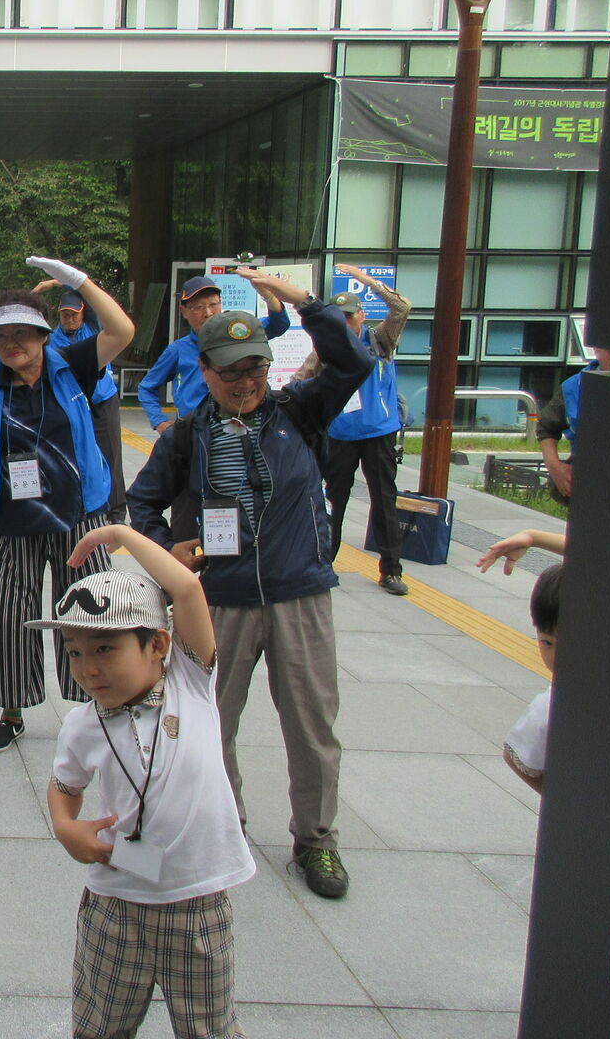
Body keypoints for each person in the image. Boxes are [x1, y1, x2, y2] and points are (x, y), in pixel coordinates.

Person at [126, 269, 373, 901]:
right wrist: (167, 549)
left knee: (313, 727)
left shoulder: (299, 411)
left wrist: (304, 303)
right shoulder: (188, 435)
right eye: (232, 371)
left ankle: (316, 839)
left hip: (299, 595)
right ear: (205, 370)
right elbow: (142, 503)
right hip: (219, 603)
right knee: (210, 723)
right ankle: (225, 826)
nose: (246, 381)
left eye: (256, 368)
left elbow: (354, 362)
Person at [42, 523, 255, 1039]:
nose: (88, 670)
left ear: (158, 644)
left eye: (105, 649)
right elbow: (65, 786)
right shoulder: (82, 724)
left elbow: (187, 588)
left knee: (209, 1028)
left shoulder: (190, 683)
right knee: (100, 1025)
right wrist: (65, 828)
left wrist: (121, 533)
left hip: (198, 902)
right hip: (115, 902)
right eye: (74, 652)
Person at [0, 257, 134, 752]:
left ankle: (95, 708)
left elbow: (122, 330)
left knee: (90, 612)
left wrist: (77, 280)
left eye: (22, 333)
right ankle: (12, 711)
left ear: (43, 335)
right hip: (15, 520)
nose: (12, 344)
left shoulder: (73, 365)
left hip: (79, 517)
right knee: (13, 617)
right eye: (2, 336)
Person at [293, 266, 412, 595]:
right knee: (333, 500)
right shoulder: (326, 350)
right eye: (339, 318)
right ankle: (324, 563)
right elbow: (298, 383)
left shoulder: (381, 339)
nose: (345, 323)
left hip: (379, 432)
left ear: (361, 315)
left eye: (349, 316)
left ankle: (391, 570)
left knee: (384, 500)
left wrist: (367, 281)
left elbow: (402, 308)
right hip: (340, 434)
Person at [138, 274, 290, 434]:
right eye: (198, 307)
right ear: (184, 312)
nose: (208, 313)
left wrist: (268, 295)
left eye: (213, 304)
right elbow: (147, 387)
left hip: (243, 428)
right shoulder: (178, 350)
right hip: (195, 431)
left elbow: (279, 324)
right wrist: (159, 421)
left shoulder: (239, 335)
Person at [477, 529, 566, 795]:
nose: (556, 658)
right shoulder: (550, 706)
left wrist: (534, 537)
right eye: (547, 643)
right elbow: (518, 758)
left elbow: (603, 558)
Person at [35, 279, 129, 524]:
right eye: (65, 314)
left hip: (102, 400)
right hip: (74, 403)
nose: (70, 319)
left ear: (83, 312)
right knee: (79, 455)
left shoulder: (93, 329)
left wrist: (57, 281)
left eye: (74, 314)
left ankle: (116, 513)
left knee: (111, 454)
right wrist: (37, 292)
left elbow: (92, 295)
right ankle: (85, 507)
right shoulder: (52, 339)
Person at [537, 346, 610, 503]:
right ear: (596, 349)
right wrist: (554, 466)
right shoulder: (573, 387)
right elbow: (546, 427)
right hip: (590, 485)